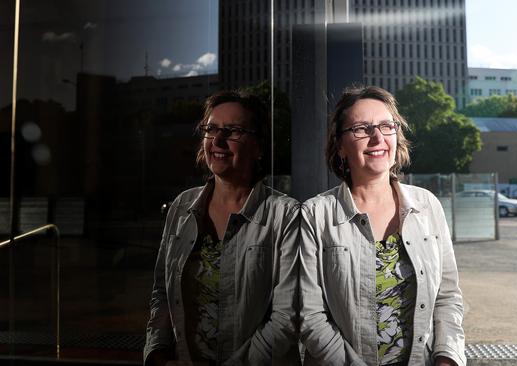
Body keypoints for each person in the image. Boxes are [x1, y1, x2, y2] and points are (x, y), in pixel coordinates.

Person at [299, 86, 465, 366]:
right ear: (340, 145)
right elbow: (310, 315)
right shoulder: (316, 215)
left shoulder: (427, 206)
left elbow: (447, 297)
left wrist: (447, 358)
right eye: (362, 129)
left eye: (387, 126)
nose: (377, 137)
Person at [144, 91, 300, 365]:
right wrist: (156, 352)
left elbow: (286, 317)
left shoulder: (284, 215)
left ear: (259, 146)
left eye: (233, 131)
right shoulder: (182, 207)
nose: (217, 140)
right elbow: (161, 291)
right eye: (211, 129)